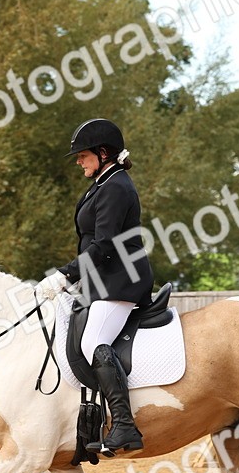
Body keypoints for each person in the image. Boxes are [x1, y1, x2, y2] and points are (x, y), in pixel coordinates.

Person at [35, 118, 154, 455]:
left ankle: (125, 425)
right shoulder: (104, 182)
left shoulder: (116, 186)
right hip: (102, 280)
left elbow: (104, 245)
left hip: (120, 281)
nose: (78, 160)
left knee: (93, 342)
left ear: (103, 153)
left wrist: (65, 275)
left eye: (83, 155)